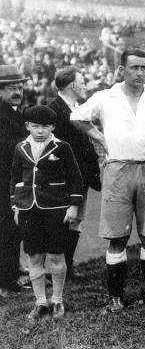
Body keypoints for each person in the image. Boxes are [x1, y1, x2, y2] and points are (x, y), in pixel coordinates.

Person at [71, 48, 145, 312]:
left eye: (144, 67)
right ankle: (115, 296)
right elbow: (77, 116)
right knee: (117, 237)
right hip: (118, 169)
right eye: (134, 67)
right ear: (121, 70)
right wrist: (100, 137)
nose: (140, 73)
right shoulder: (106, 97)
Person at [11, 105, 83, 322]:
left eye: (45, 126)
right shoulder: (20, 148)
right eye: (35, 126)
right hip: (29, 209)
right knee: (34, 256)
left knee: (56, 255)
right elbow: (15, 178)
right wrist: (16, 205)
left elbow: (75, 177)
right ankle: (40, 302)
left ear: (53, 127)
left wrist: (73, 206)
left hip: (56, 209)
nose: (40, 131)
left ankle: (57, 299)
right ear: (27, 126)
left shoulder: (62, 147)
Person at [49, 66, 101, 280]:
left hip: (82, 175)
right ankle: (59, 269)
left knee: (76, 220)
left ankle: (67, 267)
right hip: (65, 177)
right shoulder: (54, 110)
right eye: (82, 82)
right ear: (72, 86)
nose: (85, 86)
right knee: (64, 220)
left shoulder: (77, 107)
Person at [0, 65, 28, 298]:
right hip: (3, 181)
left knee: (13, 229)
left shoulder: (15, 112)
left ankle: (11, 275)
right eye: (11, 88)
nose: (18, 92)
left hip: (13, 181)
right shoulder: (3, 114)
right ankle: (5, 283)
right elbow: (8, 148)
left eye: (20, 87)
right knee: (7, 230)